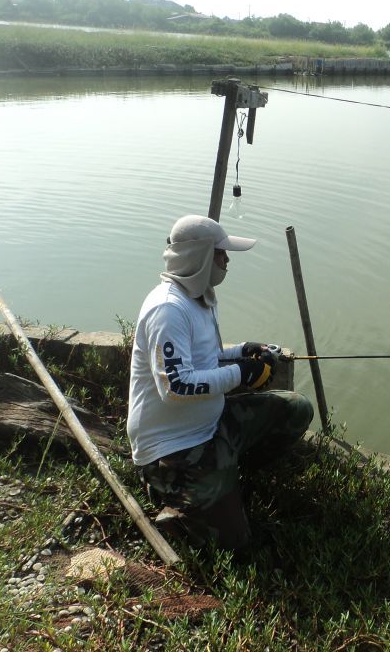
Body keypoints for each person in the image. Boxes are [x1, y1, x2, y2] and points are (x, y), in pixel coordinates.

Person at [127, 214, 314, 549]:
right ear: (199, 256)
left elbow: (206, 357)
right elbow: (176, 386)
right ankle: (177, 502)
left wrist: (244, 351)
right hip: (174, 451)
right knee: (236, 546)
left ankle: (227, 481)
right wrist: (242, 373)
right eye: (220, 253)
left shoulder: (199, 296)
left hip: (212, 425)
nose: (227, 260)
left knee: (296, 409)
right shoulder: (167, 310)